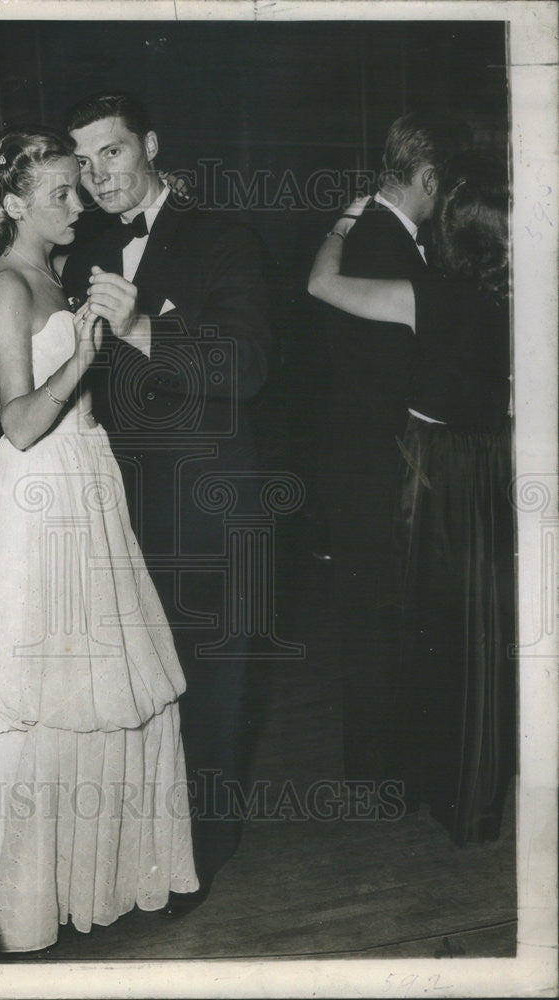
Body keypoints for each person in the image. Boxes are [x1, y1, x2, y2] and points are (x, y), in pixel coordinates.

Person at [0, 92, 273, 915]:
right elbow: (25, 344)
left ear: (152, 145)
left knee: (206, 686)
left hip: (205, 504)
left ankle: (195, 864)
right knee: (120, 695)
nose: (97, 176)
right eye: (83, 160)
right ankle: (132, 863)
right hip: (100, 504)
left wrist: (141, 331)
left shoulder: (224, 237)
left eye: (113, 153)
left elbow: (244, 372)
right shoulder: (77, 239)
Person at [0, 127, 198, 954]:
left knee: (105, 684)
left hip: (88, 479)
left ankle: (111, 879)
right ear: (14, 204)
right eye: (59, 193)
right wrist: (81, 356)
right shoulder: (6, 284)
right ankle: (25, 900)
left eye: (78, 188)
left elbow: (13, 392)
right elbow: (16, 424)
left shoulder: (52, 272)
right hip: (39, 499)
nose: (77, 203)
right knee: (43, 696)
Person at [308, 151, 515, 846]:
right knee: (482, 632)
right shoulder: (515, 300)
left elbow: (321, 283)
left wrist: (344, 216)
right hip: (492, 466)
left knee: (428, 629)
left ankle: (427, 780)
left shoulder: (426, 294)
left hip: (434, 473)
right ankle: (473, 794)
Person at [317, 113, 469, 793]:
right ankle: (385, 778)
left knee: (373, 622)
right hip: (383, 468)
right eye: (445, 190)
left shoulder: (362, 231)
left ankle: (376, 770)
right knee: (383, 621)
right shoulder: (387, 245)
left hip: (358, 463)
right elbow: (395, 382)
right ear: (429, 179)